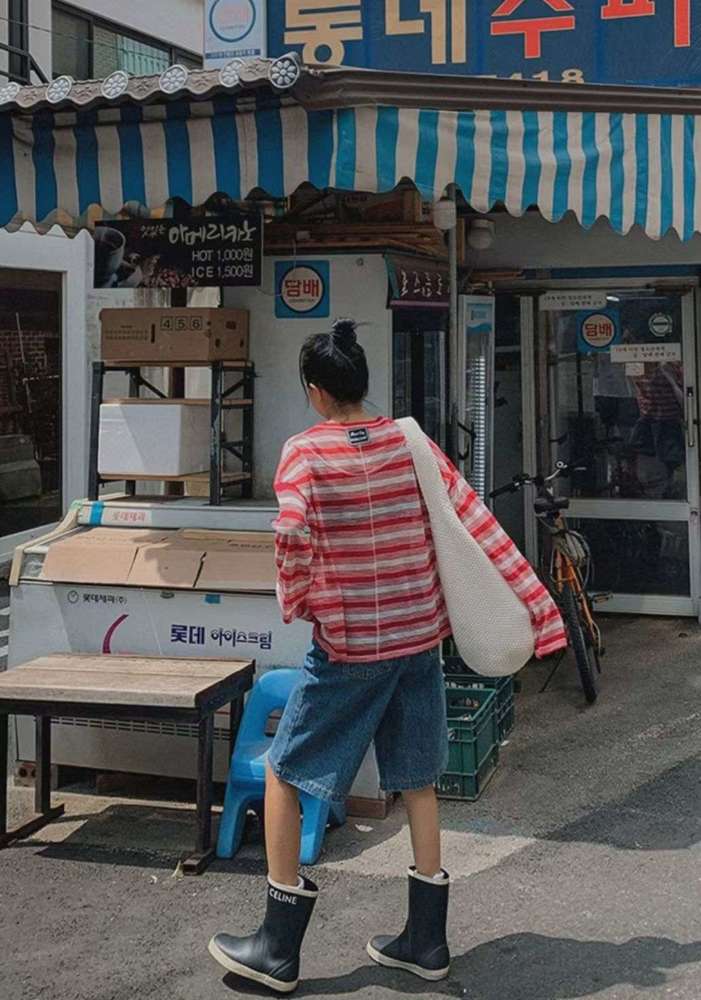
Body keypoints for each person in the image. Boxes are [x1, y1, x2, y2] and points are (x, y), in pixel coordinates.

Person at [208, 319, 566, 994]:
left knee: (285, 771)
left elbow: (290, 533)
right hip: (418, 639)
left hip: (349, 646)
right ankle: (425, 942)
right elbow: (475, 523)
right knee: (418, 778)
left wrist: (299, 598)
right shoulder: (411, 442)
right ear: (361, 382)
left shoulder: (304, 453)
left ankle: (276, 950)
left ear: (315, 391)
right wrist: (539, 614)